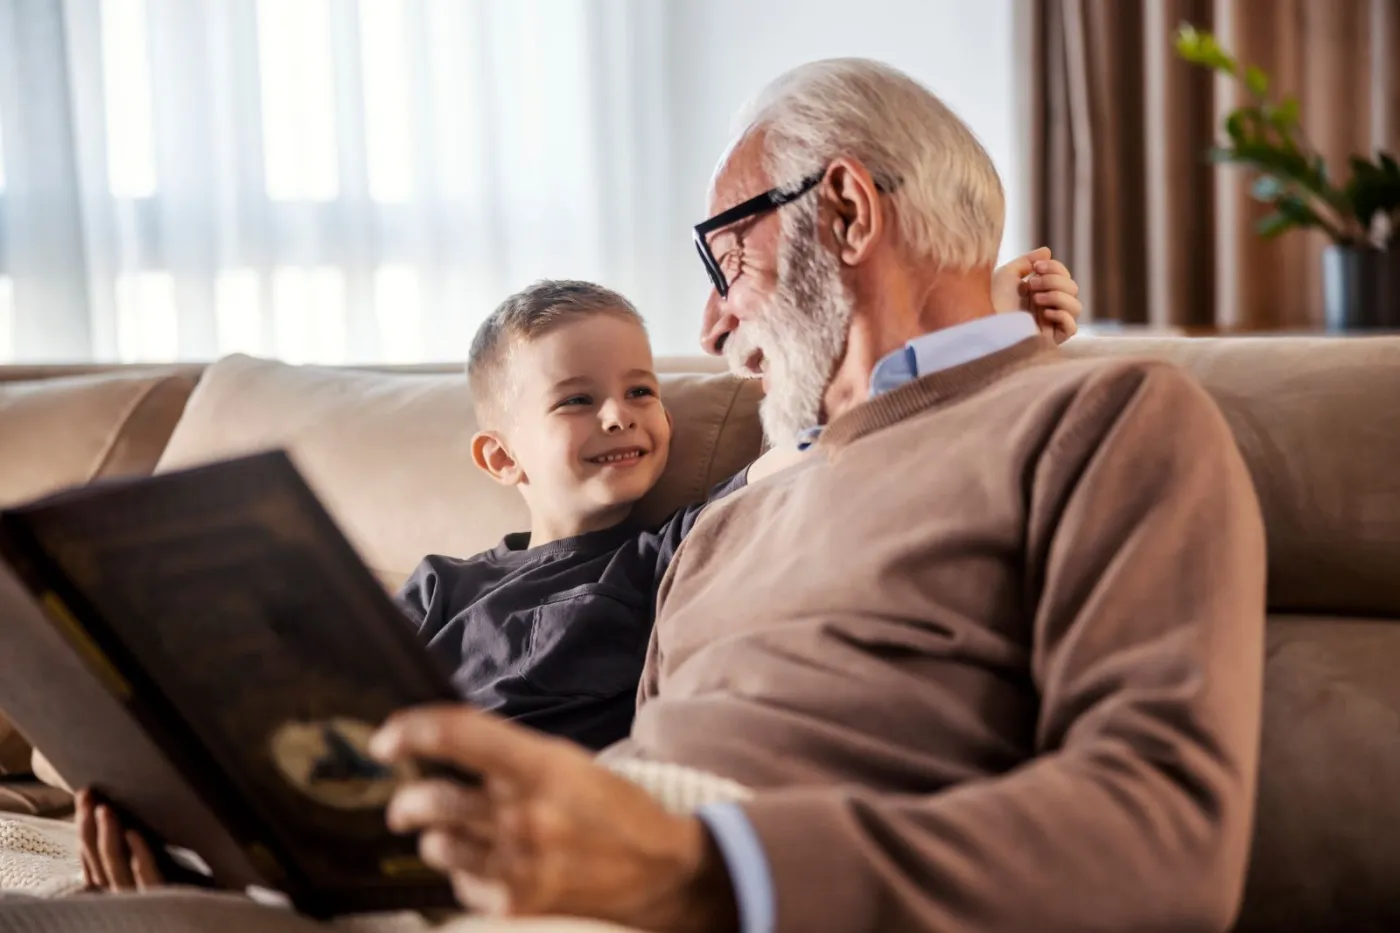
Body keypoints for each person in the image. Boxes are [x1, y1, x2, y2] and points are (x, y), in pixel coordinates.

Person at [359, 57, 1268, 933]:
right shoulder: (727, 522)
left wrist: (698, 872)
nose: (710, 325)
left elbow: (1167, 838)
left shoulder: (1106, 420)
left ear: (844, 212)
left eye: (728, 263)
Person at [74, 254, 1083, 893]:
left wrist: (987, 327)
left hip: (513, 848)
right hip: (366, 835)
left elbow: (834, 440)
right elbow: (317, 718)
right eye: (576, 400)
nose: (621, 414)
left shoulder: (672, 549)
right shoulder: (438, 587)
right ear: (501, 459)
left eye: (640, 390)